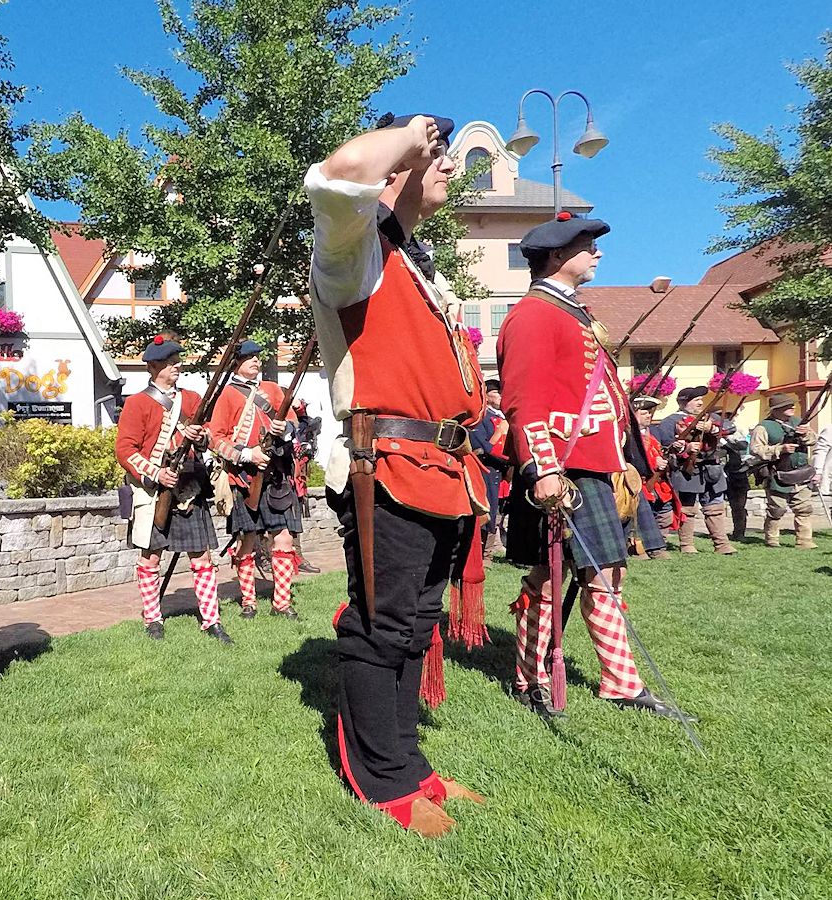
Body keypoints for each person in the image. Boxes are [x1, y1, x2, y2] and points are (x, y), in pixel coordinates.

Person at [306, 113, 488, 837]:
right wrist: (408, 139)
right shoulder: (357, 248)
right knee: (382, 629)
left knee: (415, 627)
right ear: (398, 162)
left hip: (440, 468)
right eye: (434, 154)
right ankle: (380, 781)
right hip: (387, 465)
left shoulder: (415, 258)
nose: (446, 165)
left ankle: (410, 765)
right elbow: (334, 177)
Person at [499, 211, 689, 723]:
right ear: (559, 256)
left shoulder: (572, 312)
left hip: (593, 464)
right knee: (546, 578)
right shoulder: (534, 315)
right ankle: (530, 676)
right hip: (560, 467)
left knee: (607, 573)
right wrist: (542, 469)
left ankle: (620, 681)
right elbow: (523, 400)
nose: (598, 253)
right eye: (589, 245)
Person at [114, 335, 230, 643]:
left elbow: (206, 435)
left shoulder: (191, 398)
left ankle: (211, 621)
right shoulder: (138, 403)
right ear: (154, 366)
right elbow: (126, 449)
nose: (177, 365)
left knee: (202, 558)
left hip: (189, 488)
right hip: (155, 492)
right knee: (150, 559)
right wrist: (156, 473)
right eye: (170, 361)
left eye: (176, 360)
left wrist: (200, 436)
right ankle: (153, 618)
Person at [209, 340, 302, 619]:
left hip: (276, 478)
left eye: (257, 357)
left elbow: (294, 424)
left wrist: (284, 428)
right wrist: (248, 454)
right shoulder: (227, 395)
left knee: (283, 539)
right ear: (236, 363)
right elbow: (216, 439)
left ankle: (282, 603)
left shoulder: (272, 390)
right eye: (249, 357)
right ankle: (249, 601)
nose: (255, 361)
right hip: (245, 478)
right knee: (246, 541)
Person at [652, 387, 735, 554]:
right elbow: (665, 445)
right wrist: (686, 448)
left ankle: (721, 544)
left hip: (711, 468)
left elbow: (729, 427)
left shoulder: (710, 418)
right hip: (687, 468)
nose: (700, 402)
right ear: (683, 402)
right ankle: (687, 545)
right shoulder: (670, 421)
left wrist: (712, 428)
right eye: (695, 400)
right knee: (687, 509)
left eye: (700, 400)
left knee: (715, 507)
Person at [750, 392, 816, 549]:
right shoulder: (763, 427)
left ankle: (804, 540)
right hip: (778, 474)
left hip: (801, 472)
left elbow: (813, 439)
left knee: (804, 508)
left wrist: (805, 434)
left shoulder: (799, 422)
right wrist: (781, 449)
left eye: (791, 405)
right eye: (787, 406)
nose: (792, 407)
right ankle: (772, 539)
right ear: (776, 409)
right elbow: (756, 449)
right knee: (776, 509)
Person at [470, 378, 510, 561]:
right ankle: (479, 555)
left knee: (495, 512)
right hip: (485, 469)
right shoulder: (482, 417)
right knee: (483, 511)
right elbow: (482, 447)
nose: (501, 396)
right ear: (487, 395)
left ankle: (488, 554)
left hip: (500, 471)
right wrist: (499, 432)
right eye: (497, 393)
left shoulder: (503, 417)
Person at [631, 396, 672, 559]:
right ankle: (638, 548)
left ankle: (656, 546)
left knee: (660, 515)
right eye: (644, 412)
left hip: (653, 482)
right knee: (636, 516)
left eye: (650, 412)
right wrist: (652, 462)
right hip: (634, 480)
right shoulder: (628, 433)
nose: (649, 415)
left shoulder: (653, 434)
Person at [291, 399, 323, 573]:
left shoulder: (301, 424)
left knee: (295, 521)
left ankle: (297, 557)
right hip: (279, 478)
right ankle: (266, 557)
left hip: (297, 479)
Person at [722, 410, 753, 539]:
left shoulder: (736, 432)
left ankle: (739, 532)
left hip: (736, 473)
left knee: (739, 506)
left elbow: (742, 445)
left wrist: (727, 440)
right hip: (717, 474)